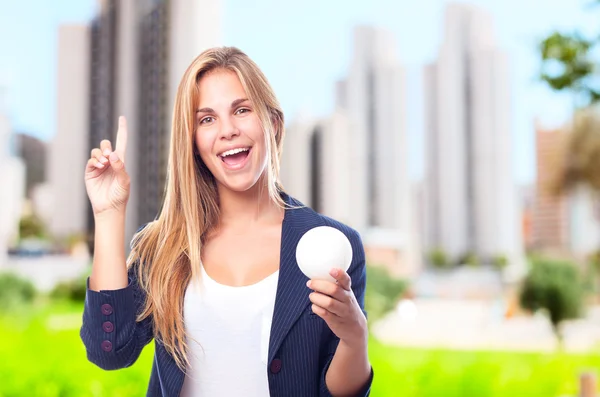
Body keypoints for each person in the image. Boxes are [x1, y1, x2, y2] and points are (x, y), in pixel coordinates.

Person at [81, 46, 373, 397]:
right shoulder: (167, 246)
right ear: (193, 142)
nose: (227, 130)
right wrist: (108, 214)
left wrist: (355, 338)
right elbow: (110, 350)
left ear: (273, 123)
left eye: (242, 110)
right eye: (207, 119)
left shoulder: (335, 244)